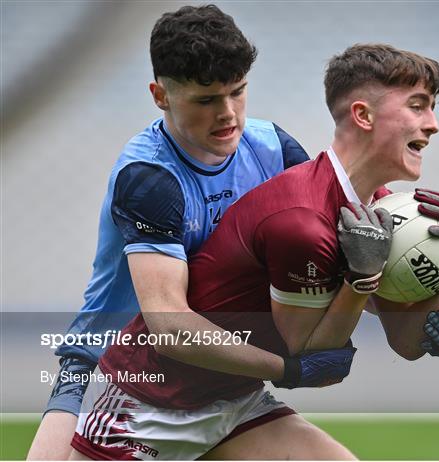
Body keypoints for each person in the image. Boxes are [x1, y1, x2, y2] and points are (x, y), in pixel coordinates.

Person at [69, 43, 439, 460]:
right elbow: (310, 355)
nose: (433, 124)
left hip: (235, 402)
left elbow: (407, 340)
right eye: (418, 105)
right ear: (363, 115)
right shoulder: (302, 221)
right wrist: (358, 282)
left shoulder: (380, 208)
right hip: (149, 406)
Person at [27, 4, 342, 460]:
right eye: (206, 100)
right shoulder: (149, 177)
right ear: (160, 95)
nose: (228, 114)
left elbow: (337, 260)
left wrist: (422, 304)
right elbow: (170, 327)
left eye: (238, 92)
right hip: (119, 378)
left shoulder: (273, 151)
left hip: (218, 380)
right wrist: (287, 368)